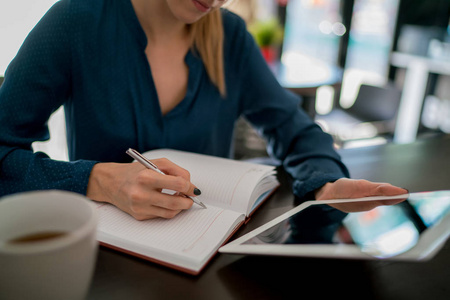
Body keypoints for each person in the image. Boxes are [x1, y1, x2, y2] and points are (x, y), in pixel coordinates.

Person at [0, 0, 407, 220]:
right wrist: (97, 179)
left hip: (207, 253)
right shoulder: (76, 21)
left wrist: (324, 183)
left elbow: (294, 130)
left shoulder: (230, 38)